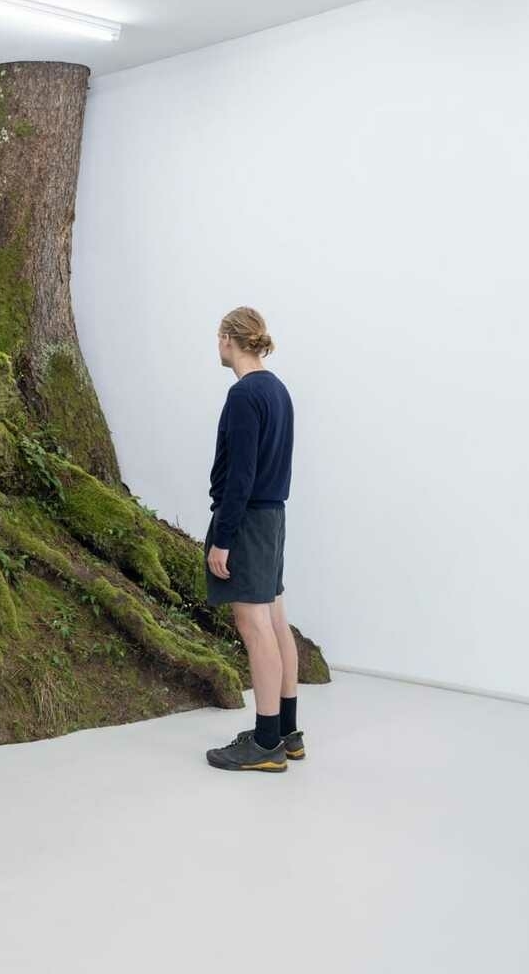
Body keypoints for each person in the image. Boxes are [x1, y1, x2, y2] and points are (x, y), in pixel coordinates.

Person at [202, 306, 304, 773]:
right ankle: (286, 731)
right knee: (276, 620)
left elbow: (240, 475)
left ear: (228, 338)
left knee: (254, 626)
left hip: (246, 520)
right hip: (273, 518)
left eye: (217, 337)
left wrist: (222, 537)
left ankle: (265, 745)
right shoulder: (278, 389)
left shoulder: (244, 394)